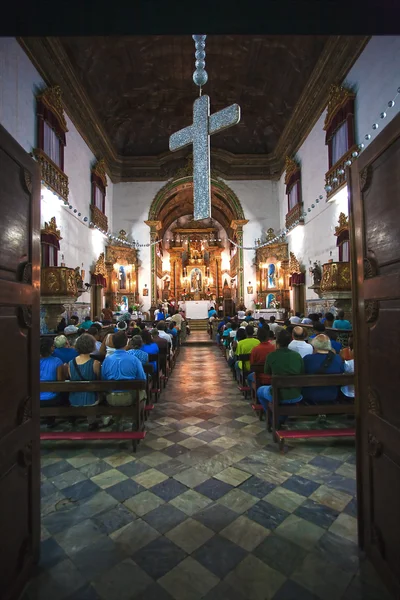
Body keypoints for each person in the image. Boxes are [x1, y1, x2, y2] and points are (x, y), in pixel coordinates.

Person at [257, 329, 304, 412]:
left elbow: (267, 372)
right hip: (296, 394)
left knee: (260, 390)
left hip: (277, 394)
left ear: (277, 341)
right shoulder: (297, 356)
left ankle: (270, 415)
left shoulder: (271, 356)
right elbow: (302, 372)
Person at [68, 334, 104, 429]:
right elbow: (99, 378)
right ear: (92, 346)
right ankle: (92, 421)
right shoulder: (95, 363)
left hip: (74, 398)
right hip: (91, 399)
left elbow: (71, 378)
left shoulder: (70, 363)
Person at [102, 332, 146, 406]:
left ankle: (116, 416)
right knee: (143, 392)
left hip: (111, 397)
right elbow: (142, 379)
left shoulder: (107, 360)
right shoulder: (134, 360)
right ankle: (131, 416)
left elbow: (103, 378)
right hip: (129, 396)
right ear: (126, 342)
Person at [302, 334, 344, 403]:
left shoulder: (308, 359)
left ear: (315, 345)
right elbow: (342, 370)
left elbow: (302, 372)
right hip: (332, 394)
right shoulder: (337, 358)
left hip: (311, 394)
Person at [40, 338, 65, 427]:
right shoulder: (57, 361)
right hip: (51, 399)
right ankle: (51, 420)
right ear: (50, 348)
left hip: (35, 397)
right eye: (52, 346)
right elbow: (60, 381)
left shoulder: (33, 361)